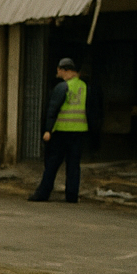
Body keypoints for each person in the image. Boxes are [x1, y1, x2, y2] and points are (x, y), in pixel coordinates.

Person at [28, 57, 101, 203]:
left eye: (59, 70)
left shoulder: (62, 87)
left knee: (52, 164)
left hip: (61, 132)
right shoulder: (85, 87)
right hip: (79, 131)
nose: (57, 73)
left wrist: (48, 130)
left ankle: (43, 193)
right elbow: (92, 112)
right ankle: (72, 195)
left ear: (66, 70)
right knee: (73, 166)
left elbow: (52, 110)